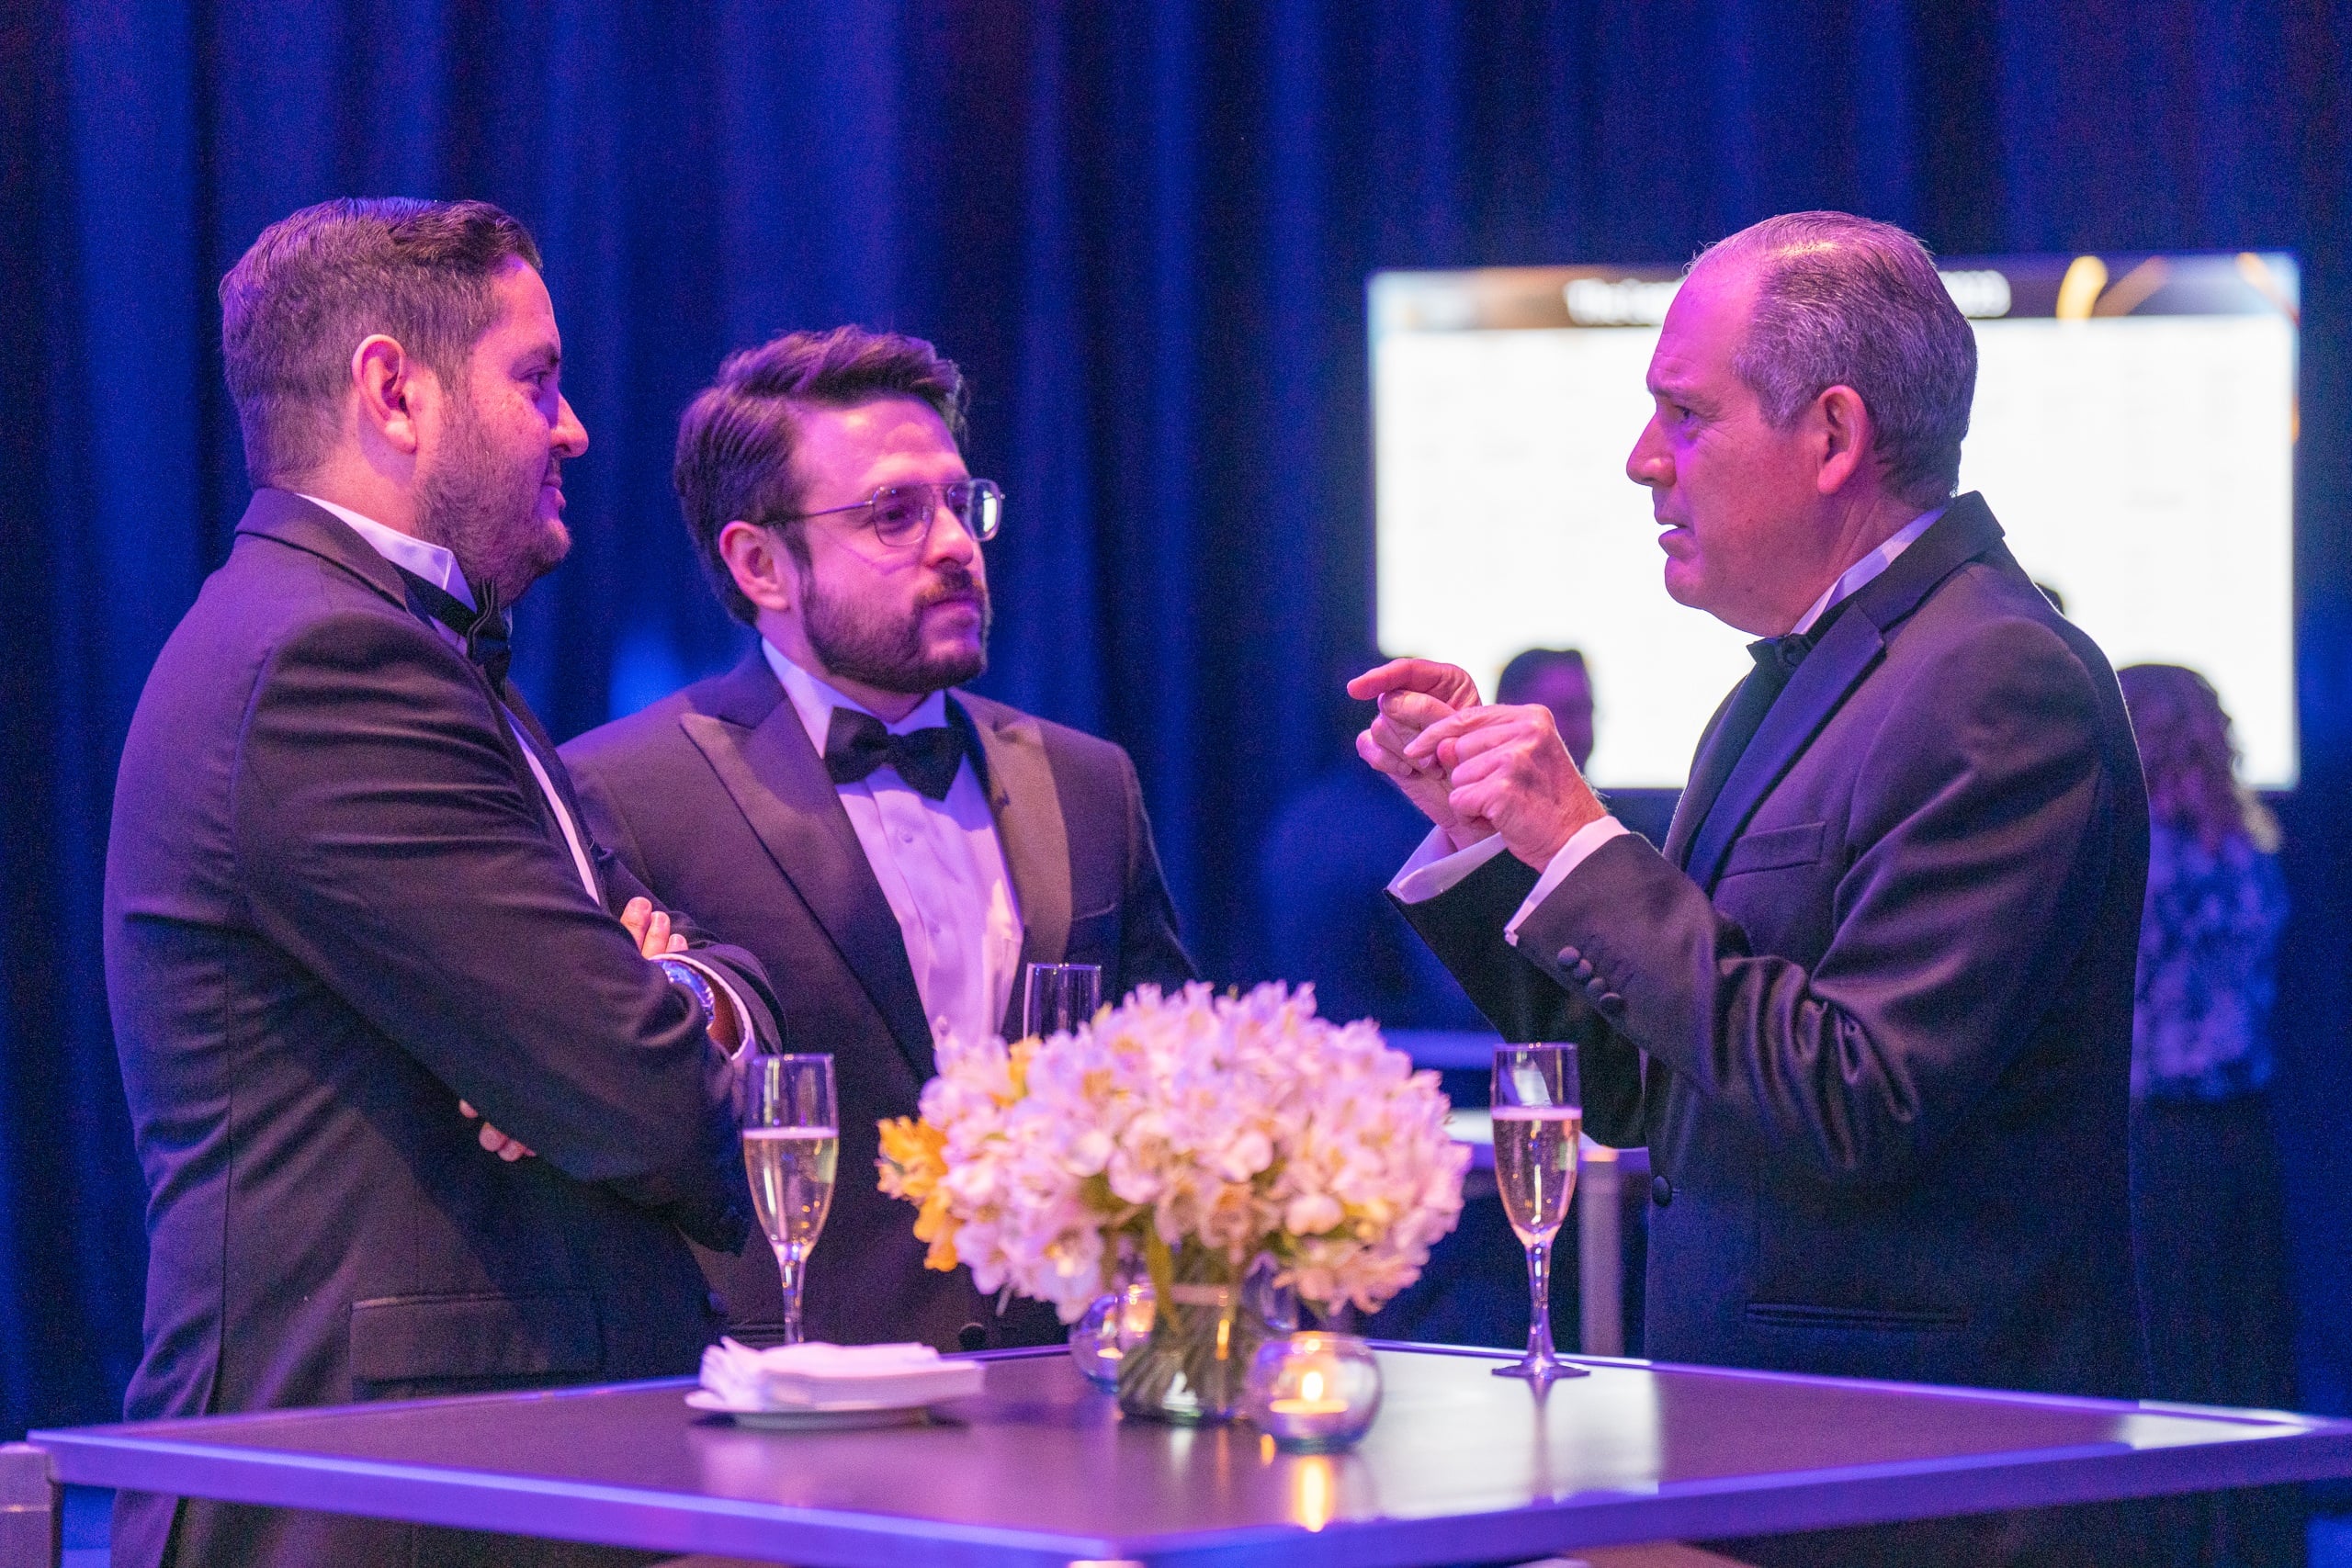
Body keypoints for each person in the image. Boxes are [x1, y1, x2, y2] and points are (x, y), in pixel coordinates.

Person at [1351, 211, 2149, 1406]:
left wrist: (1579, 839)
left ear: (1832, 435)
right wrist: (1495, 841)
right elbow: (1644, 1085)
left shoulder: (1997, 676)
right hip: (1769, 1423)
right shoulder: (1777, 685)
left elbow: (1861, 1100)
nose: (1643, 460)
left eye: (1686, 413)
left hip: (1920, 1450)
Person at [104, 197, 780, 1568]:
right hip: (379, 1501)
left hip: (460, 1481)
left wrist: (651, 994)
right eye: (535, 379)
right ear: (394, 393)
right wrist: (608, 1024)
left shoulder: (405, 646)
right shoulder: (324, 664)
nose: (573, 428)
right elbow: (640, 1093)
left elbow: (699, 996)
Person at [562, 326, 1195, 1353]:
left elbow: (1176, 1092)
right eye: (894, 514)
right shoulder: (626, 791)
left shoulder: (1088, 784)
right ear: (761, 564)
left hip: (1057, 1385)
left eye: (960, 503)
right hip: (783, 1398)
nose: (955, 546)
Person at [2119, 663, 2301, 1567]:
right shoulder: (2248, 850)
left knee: (2171, 1364)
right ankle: (2263, 1546)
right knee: (2250, 1354)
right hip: (2244, 1132)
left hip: (2157, 1137)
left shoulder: (2133, 858)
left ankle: (2179, 1549)